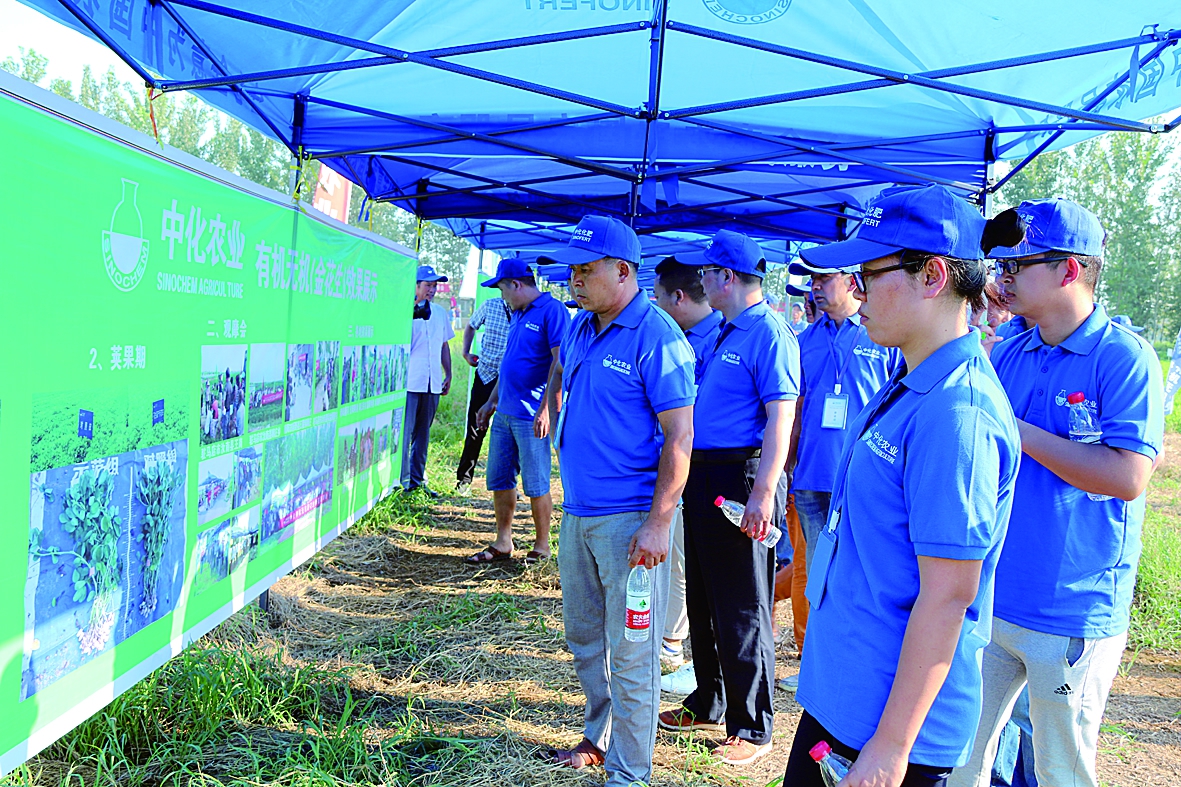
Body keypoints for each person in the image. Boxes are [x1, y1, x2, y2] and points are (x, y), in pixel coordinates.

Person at [783, 184, 1021, 787]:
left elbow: (947, 596)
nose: (855, 294)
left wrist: (891, 745)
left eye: (869, 275)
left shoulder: (956, 413)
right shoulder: (911, 379)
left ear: (933, 275)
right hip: (850, 698)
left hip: (888, 729)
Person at [949, 199, 1164, 787]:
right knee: (960, 755)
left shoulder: (1124, 359)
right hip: (996, 596)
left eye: (1019, 266)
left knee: (1060, 768)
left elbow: (1126, 477)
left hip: (1072, 606)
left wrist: (1018, 431)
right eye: (1001, 267)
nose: (1004, 278)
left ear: (1071, 270)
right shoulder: (1014, 350)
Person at [538, 215, 696, 787]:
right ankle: (598, 733)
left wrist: (659, 523)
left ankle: (630, 772)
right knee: (584, 634)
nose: (573, 280)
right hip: (579, 513)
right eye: (572, 269)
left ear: (624, 272)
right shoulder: (583, 328)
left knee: (633, 652)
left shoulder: (657, 336)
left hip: (629, 524)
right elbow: (562, 378)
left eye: (586, 270)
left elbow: (680, 436)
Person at [657, 230, 799, 768]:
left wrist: (764, 491)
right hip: (706, 473)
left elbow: (780, 418)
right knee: (705, 595)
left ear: (728, 278)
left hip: (741, 476)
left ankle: (753, 724)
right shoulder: (726, 330)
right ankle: (709, 699)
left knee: (744, 602)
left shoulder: (769, 333)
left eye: (709, 273)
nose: (702, 282)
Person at [776, 257, 900, 693]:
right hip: (811, 478)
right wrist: (786, 465)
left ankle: (860, 662)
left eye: (825, 279)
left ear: (852, 281)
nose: (816, 288)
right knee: (817, 572)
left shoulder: (882, 338)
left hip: (860, 479)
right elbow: (793, 411)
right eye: (812, 280)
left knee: (862, 570)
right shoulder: (804, 339)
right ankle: (815, 660)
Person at [466, 257, 569, 565]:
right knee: (499, 478)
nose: (502, 297)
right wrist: (492, 401)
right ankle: (503, 541)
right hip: (506, 412)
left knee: (537, 482)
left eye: (502, 290)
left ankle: (542, 546)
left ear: (516, 284)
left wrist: (546, 410)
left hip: (531, 415)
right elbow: (509, 364)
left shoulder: (553, 311)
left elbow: (558, 364)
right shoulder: (518, 314)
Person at [652, 256, 725, 674]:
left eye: (659, 297)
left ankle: (672, 646)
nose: (656, 306)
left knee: (683, 562)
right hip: (679, 466)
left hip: (709, 469)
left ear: (678, 297)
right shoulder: (671, 339)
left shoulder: (721, 338)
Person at [401, 264, 455, 497]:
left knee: (423, 433)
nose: (432, 290)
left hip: (432, 383)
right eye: (427, 285)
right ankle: (400, 483)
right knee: (405, 433)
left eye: (434, 286)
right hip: (411, 381)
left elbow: (444, 345)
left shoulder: (440, 313)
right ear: (415, 286)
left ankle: (417, 480)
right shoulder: (403, 312)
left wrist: (449, 373)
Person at [455, 283, 512, 494]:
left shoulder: (527, 312)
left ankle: (508, 483)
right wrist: (465, 352)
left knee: (510, 429)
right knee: (476, 427)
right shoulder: (490, 306)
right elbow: (471, 325)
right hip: (486, 375)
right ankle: (464, 480)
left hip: (511, 380)